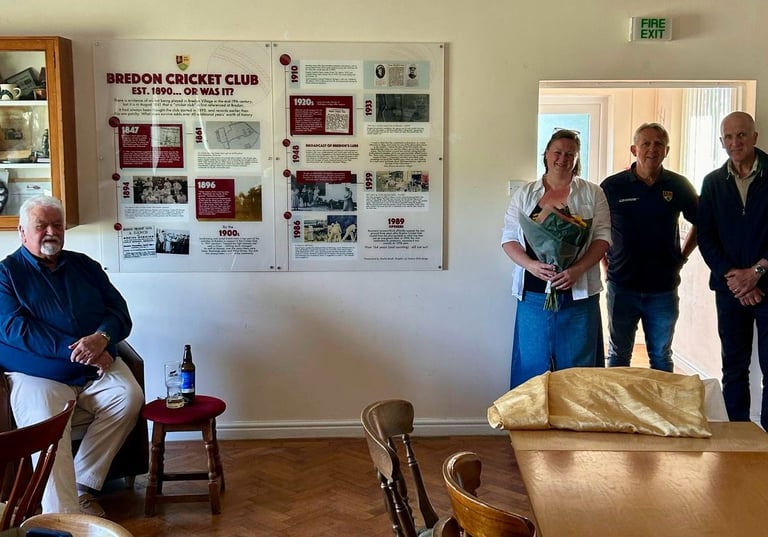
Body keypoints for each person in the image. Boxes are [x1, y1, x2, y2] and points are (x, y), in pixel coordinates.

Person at [0, 195, 144, 516]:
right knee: (47, 422)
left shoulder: (85, 266)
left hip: (94, 368)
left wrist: (103, 338)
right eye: (41, 226)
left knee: (128, 395)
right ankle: (64, 518)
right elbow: (17, 331)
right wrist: (85, 352)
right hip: (39, 374)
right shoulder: (6, 274)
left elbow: (119, 312)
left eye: (57, 225)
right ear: (23, 233)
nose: (51, 231)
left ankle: (82, 486)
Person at [501, 129, 612, 388]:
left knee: (578, 368)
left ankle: (576, 425)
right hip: (533, 294)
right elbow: (508, 239)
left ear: (576, 158)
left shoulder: (593, 193)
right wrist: (531, 265)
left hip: (578, 295)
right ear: (547, 155)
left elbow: (603, 238)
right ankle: (530, 423)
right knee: (532, 364)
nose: (563, 158)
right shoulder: (526, 193)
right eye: (558, 152)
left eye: (570, 154)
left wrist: (578, 269)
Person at [600, 123, 698, 372]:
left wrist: (682, 257)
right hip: (622, 286)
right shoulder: (612, 186)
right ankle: (618, 410)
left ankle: (659, 411)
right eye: (646, 143)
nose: (652, 149)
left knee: (661, 357)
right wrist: (605, 266)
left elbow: (703, 223)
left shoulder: (678, 185)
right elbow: (597, 230)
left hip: (663, 289)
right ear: (634, 149)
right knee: (618, 355)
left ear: (667, 150)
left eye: (658, 144)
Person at [698, 111, 768, 430]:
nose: (735, 142)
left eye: (741, 135)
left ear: (754, 137)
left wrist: (757, 272)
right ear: (722, 142)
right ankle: (738, 435)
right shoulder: (713, 182)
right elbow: (706, 236)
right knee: (734, 368)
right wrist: (735, 277)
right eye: (728, 136)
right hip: (730, 291)